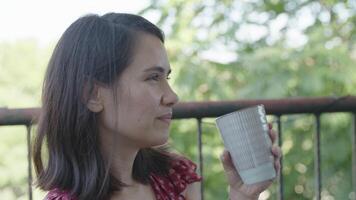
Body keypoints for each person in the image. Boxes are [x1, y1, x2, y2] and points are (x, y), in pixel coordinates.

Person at [32, 13, 281, 200]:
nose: (172, 96)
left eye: (167, 78)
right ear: (92, 95)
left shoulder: (175, 179)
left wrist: (242, 195)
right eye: (153, 77)